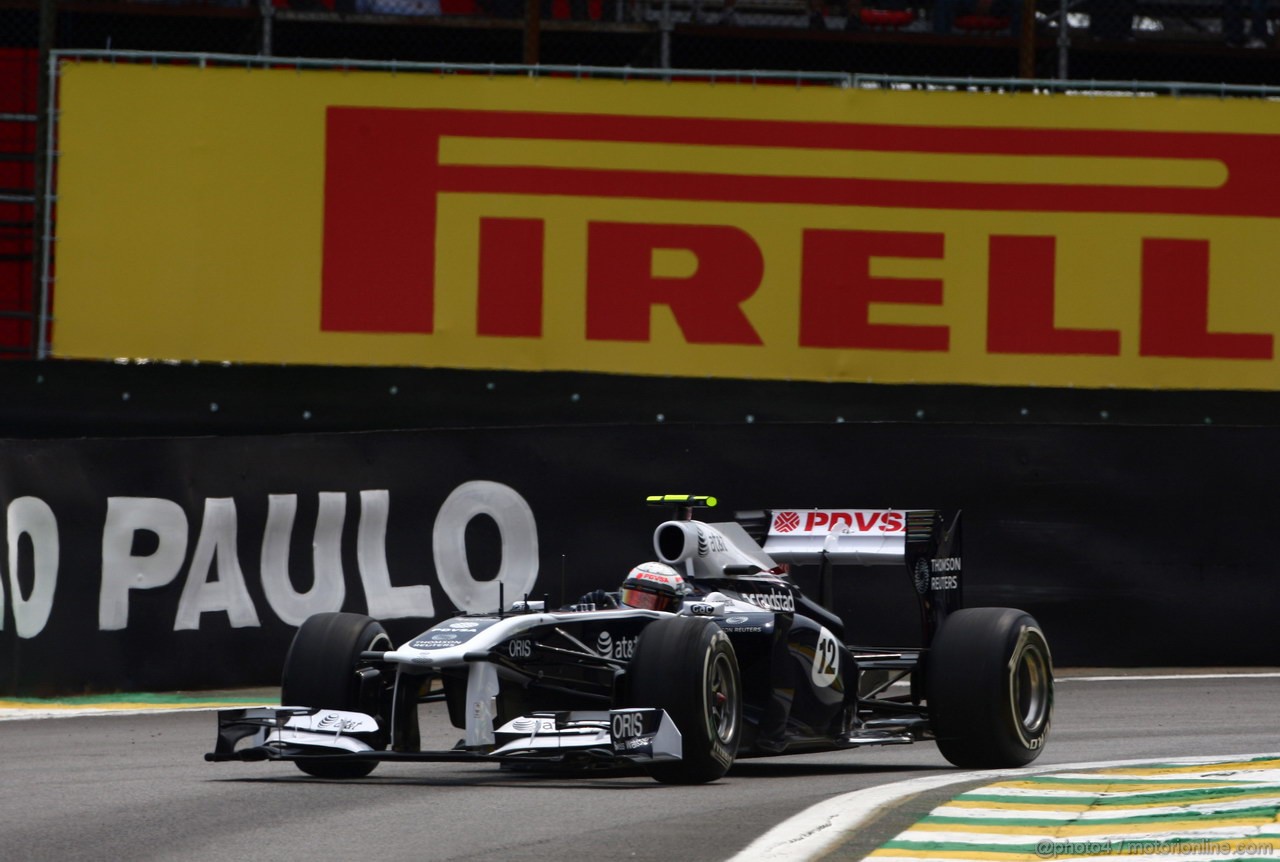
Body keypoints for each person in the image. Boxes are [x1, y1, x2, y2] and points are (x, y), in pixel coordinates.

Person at [932, 0, 1022, 34]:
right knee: (943, 3)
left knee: (1022, 4)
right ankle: (941, 50)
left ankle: (1019, 53)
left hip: (999, 3)